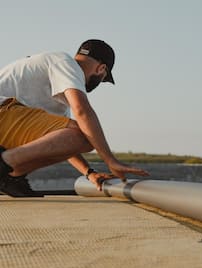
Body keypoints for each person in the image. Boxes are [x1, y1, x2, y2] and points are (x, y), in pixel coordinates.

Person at [0, 39, 149, 197]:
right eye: (104, 78)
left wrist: (89, 172)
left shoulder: (57, 94)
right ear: (101, 68)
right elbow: (82, 112)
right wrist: (110, 160)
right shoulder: (65, 62)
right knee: (86, 134)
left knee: (79, 134)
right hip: (4, 112)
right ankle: (4, 166)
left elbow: (63, 143)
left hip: (7, 122)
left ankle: (9, 176)